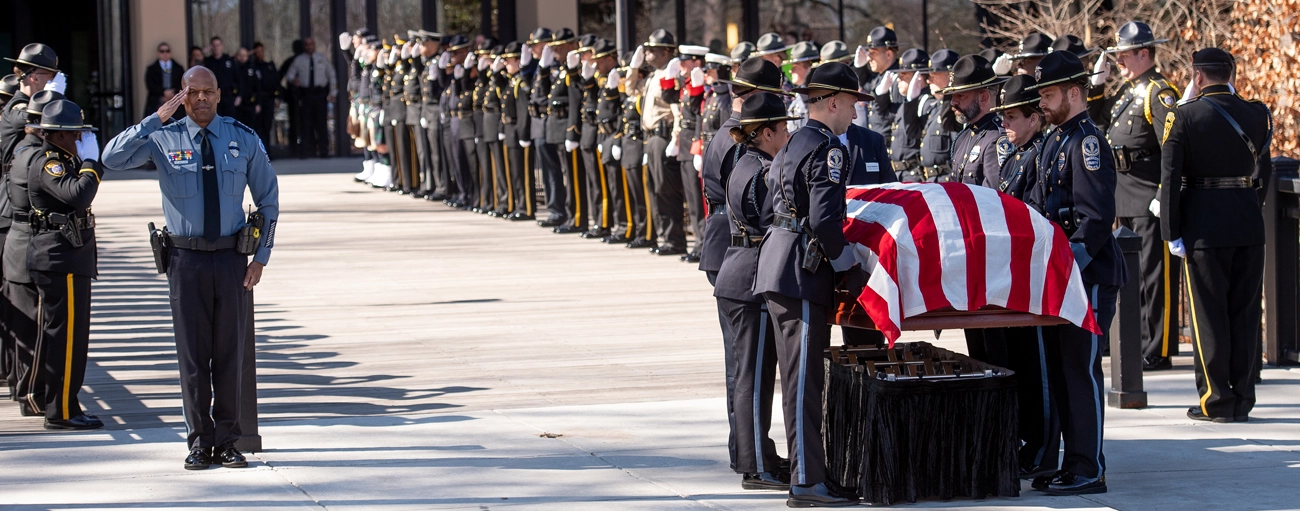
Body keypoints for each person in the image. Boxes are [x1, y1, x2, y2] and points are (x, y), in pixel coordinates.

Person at [101, 66, 281, 470]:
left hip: (233, 261)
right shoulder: (162, 138)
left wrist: (262, 258)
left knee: (230, 356)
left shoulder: (242, 137)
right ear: (181, 95)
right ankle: (200, 442)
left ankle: (228, 441)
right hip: (185, 261)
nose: (201, 99)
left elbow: (268, 200)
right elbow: (111, 157)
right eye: (193, 92)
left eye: (208, 92)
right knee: (193, 358)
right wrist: (154, 120)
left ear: (219, 94)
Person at [754, 62, 869, 507]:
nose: (856, 114)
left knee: (801, 379)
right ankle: (806, 481)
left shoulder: (796, 141)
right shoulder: (828, 148)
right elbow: (823, 220)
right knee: (804, 382)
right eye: (854, 103)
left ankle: (812, 473)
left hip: (782, 265)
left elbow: (771, 207)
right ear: (835, 101)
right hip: (802, 273)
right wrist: (848, 268)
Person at [1024, 50, 1127, 496]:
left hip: (1087, 275)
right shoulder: (1053, 140)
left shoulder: (1087, 142)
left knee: (1082, 372)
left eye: (1048, 93)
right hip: (1062, 276)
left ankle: (1089, 467)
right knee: (1064, 372)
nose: (1042, 102)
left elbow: (1096, 218)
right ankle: (1072, 460)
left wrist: (1071, 267)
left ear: (1073, 91)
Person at [1160, 48, 1272, 423]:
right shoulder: (1258, 113)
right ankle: (1242, 396)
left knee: (1209, 317)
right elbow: (1264, 173)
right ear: (1231, 74)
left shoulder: (1184, 115)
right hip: (1247, 223)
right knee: (1243, 315)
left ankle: (1216, 399)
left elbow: (1171, 177)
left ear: (1197, 77)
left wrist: (1171, 232)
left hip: (1203, 226)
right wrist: (1249, 208)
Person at [698, 55, 787, 477]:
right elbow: (751, 202)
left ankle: (747, 452)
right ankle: (752, 457)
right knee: (749, 365)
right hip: (739, 249)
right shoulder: (742, 141)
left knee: (742, 363)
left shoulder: (725, 133)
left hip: (727, 248)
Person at [716, 92, 798, 492]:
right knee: (755, 377)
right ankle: (756, 466)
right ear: (765, 133)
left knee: (754, 374)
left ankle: (758, 455)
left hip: (739, 274)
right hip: (750, 279)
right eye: (782, 128)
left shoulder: (746, 162)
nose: (787, 133)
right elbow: (771, 222)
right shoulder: (763, 170)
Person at [1095, 20, 1182, 370]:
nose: (1119, 63)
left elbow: (1172, 148)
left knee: (1153, 275)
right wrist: (1096, 87)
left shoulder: (1159, 92)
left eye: (1124, 56)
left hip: (1147, 193)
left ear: (1144, 54)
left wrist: (1164, 192)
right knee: (1130, 275)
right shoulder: (1127, 92)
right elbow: (1098, 122)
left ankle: (1156, 348)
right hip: (1123, 191)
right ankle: (1137, 342)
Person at [989, 75, 1060, 479]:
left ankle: (1044, 449)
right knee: (1020, 364)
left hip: (1033, 275)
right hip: (1012, 275)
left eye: (1013, 117)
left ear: (1035, 117)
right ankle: (1028, 441)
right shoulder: (1014, 155)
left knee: (1040, 369)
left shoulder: (1040, 153)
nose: (1006, 126)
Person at [23, 99, 105, 430]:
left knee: (64, 336)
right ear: (59, 135)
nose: (79, 139)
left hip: (65, 257)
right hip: (61, 259)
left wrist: (84, 162)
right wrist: (90, 163)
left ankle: (60, 402)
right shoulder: (51, 163)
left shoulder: (61, 158)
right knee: (68, 339)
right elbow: (80, 195)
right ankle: (62, 412)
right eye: (75, 134)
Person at [939, 54, 1011, 366]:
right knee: (977, 351)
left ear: (984, 96)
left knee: (996, 352)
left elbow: (997, 203)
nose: (953, 102)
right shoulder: (965, 136)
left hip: (989, 261)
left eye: (961, 96)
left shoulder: (996, 139)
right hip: (967, 256)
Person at [1, 44, 60, 399]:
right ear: (34, 76)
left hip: (14, 210)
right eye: (48, 78)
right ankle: (28, 390)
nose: (51, 85)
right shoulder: (20, 110)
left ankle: (21, 384)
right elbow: (39, 127)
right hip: (13, 213)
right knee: (25, 309)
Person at [633, 29, 687, 255]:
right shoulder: (653, 75)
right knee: (655, 190)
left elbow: (678, 111)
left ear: (666, 52)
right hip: (652, 137)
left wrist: (675, 139)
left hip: (664, 137)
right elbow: (629, 89)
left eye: (652, 50)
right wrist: (634, 68)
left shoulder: (670, 75)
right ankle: (664, 237)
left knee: (667, 191)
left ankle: (674, 240)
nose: (647, 53)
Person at [284, 37, 337, 159]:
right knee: (306, 124)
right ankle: (306, 151)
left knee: (321, 124)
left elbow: (332, 76)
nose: (309, 47)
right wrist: (294, 80)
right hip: (306, 94)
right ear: (304, 46)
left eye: (311, 44)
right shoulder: (299, 60)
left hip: (320, 94)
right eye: (307, 45)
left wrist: (333, 92)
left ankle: (324, 151)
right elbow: (289, 75)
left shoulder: (322, 59)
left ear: (314, 45)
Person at [886, 48, 930, 179]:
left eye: (904, 76)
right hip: (900, 175)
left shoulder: (926, 103)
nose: (898, 80)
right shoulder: (905, 104)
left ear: (918, 78)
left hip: (914, 175)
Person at [918, 49, 961, 182]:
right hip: (930, 181)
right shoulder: (935, 106)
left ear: (950, 76)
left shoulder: (957, 108)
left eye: (934, 75)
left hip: (947, 182)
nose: (929, 80)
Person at [852, 26, 899, 138]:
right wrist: (860, 67)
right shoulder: (879, 76)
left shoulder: (897, 79)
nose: (869, 58)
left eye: (873, 53)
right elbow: (865, 85)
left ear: (888, 54)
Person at [144, 42, 185, 121]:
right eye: (162, 51)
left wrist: (173, 92)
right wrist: (163, 92)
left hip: (175, 102)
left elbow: (182, 83)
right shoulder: (151, 69)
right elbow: (150, 85)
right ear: (158, 53)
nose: (165, 53)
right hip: (157, 102)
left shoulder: (178, 68)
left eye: (167, 51)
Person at [251, 42, 280, 144]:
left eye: (261, 51)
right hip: (257, 100)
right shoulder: (252, 68)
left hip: (269, 99)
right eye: (257, 52)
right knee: (258, 126)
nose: (260, 54)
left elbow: (276, 83)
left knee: (267, 125)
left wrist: (278, 98)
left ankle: (267, 149)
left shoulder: (269, 66)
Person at [203, 37, 237, 117]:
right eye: (214, 45)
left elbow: (237, 78)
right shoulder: (208, 61)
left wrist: (238, 96)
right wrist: (204, 51)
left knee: (229, 121)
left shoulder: (229, 60)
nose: (216, 47)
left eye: (218, 45)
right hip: (213, 96)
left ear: (222, 46)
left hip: (228, 96)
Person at [232, 47, 259, 130]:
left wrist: (258, 103)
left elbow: (257, 87)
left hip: (249, 104)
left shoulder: (252, 69)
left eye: (244, 55)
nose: (242, 57)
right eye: (240, 55)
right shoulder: (233, 68)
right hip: (236, 104)